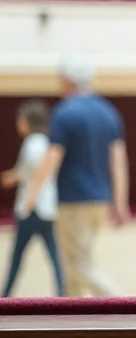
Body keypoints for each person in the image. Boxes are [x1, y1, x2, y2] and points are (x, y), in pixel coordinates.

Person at [22, 56, 129, 297]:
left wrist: (33, 193)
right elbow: (118, 162)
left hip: (74, 200)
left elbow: (52, 157)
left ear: (67, 81)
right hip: (100, 201)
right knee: (73, 268)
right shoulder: (109, 112)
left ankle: (126, 306)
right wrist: (120, 201)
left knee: (80, 264)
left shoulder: (64, 113)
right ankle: (74, 321)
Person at [2, 101, 64, 298]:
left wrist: (31, 197)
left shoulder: (33, 143)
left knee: (18, 256)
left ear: (27, 122)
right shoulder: (45, 141)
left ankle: (6, 295)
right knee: (54, 255)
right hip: (45, 207)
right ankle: (64, 293)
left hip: (33, 208)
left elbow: (38, 171)